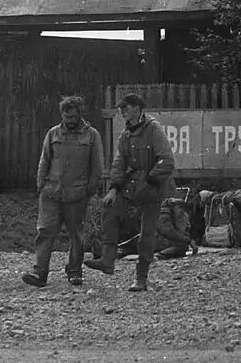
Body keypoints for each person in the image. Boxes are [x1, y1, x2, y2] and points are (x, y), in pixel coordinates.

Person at [84, 93, 176, 292]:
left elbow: (167, 160)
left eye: (126, 108)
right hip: (133, 182)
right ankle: (107, 259)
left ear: (137, 108)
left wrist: (152, 179)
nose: (122, 111)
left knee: (147, 233)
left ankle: (141, 277)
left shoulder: (154, 129)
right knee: (110, 208)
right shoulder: (125, 134)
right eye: (121, 109)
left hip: (154, 185)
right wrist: (115, 188)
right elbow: (119, 163)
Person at [22, 95, 104, 288]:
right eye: (66, 117)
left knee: (77, 235)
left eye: (73, 117)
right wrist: (40, 184)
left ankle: (75, 270)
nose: (69, 120)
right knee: (45, 231)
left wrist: (89, 190)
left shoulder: (92, 135)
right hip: (51, 193)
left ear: (79, 115)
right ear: (62, 115)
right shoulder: (53, 134)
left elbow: (97, 166)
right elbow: (44, 160)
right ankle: (40, 272)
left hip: (77, 195)